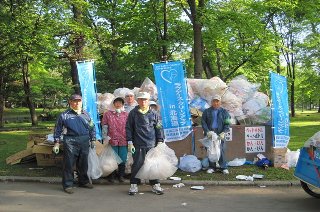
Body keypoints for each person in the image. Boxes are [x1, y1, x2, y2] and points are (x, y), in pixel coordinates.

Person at [53, 94, 96, 194]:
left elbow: (92, 127)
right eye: (75, 101)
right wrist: (56, 143)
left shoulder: (86, 114)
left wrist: (93, 139)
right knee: (69, 163)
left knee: (83, 163)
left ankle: (83, 181)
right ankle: (68, 185)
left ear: (81, 102)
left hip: (84, 140)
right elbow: (57, 130)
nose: (77, 103)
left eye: (79, 101)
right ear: (70, 102)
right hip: (70, 140)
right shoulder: (64, 115)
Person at [126, 92, 164, 195]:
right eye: (141, 99)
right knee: (137, 164)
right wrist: (130, 142)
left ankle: (155, 184)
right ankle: (134, 184)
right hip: (138, 144)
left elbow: (159, 128)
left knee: (152, 165)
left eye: (145, 100)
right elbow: (129, 128)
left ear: (148, 101)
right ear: (137, 101)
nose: (143, 102)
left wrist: (160, 140)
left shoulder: (153, 114)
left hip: (151, 144)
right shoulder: (133, 113)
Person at [201, 94, 231, 174]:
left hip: (220, 133)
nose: (216, 103)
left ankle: (223, 167)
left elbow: (227, 123)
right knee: (210, 150)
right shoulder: (206, 111)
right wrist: (207, 131)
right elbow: (203, 122)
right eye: (214, 101)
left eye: (217, 101)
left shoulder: (224, 112)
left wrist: (223, 132)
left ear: (220, 102)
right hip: (210, 133)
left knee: (221, 149)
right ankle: (212, 167)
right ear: (211, 102)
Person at [101, 97, 128, 183]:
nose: (118, 104)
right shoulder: (107, 114)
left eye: (120, 102)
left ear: (122, 104)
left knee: (122, 158)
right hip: (112, 139)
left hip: (124, 139)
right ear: (113, 104)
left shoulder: (126, 114)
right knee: (112, 158)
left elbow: (129, 127)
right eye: (116, 102)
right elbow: (104, 125)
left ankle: (121, 175)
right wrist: (105, 137)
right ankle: (112, 175)